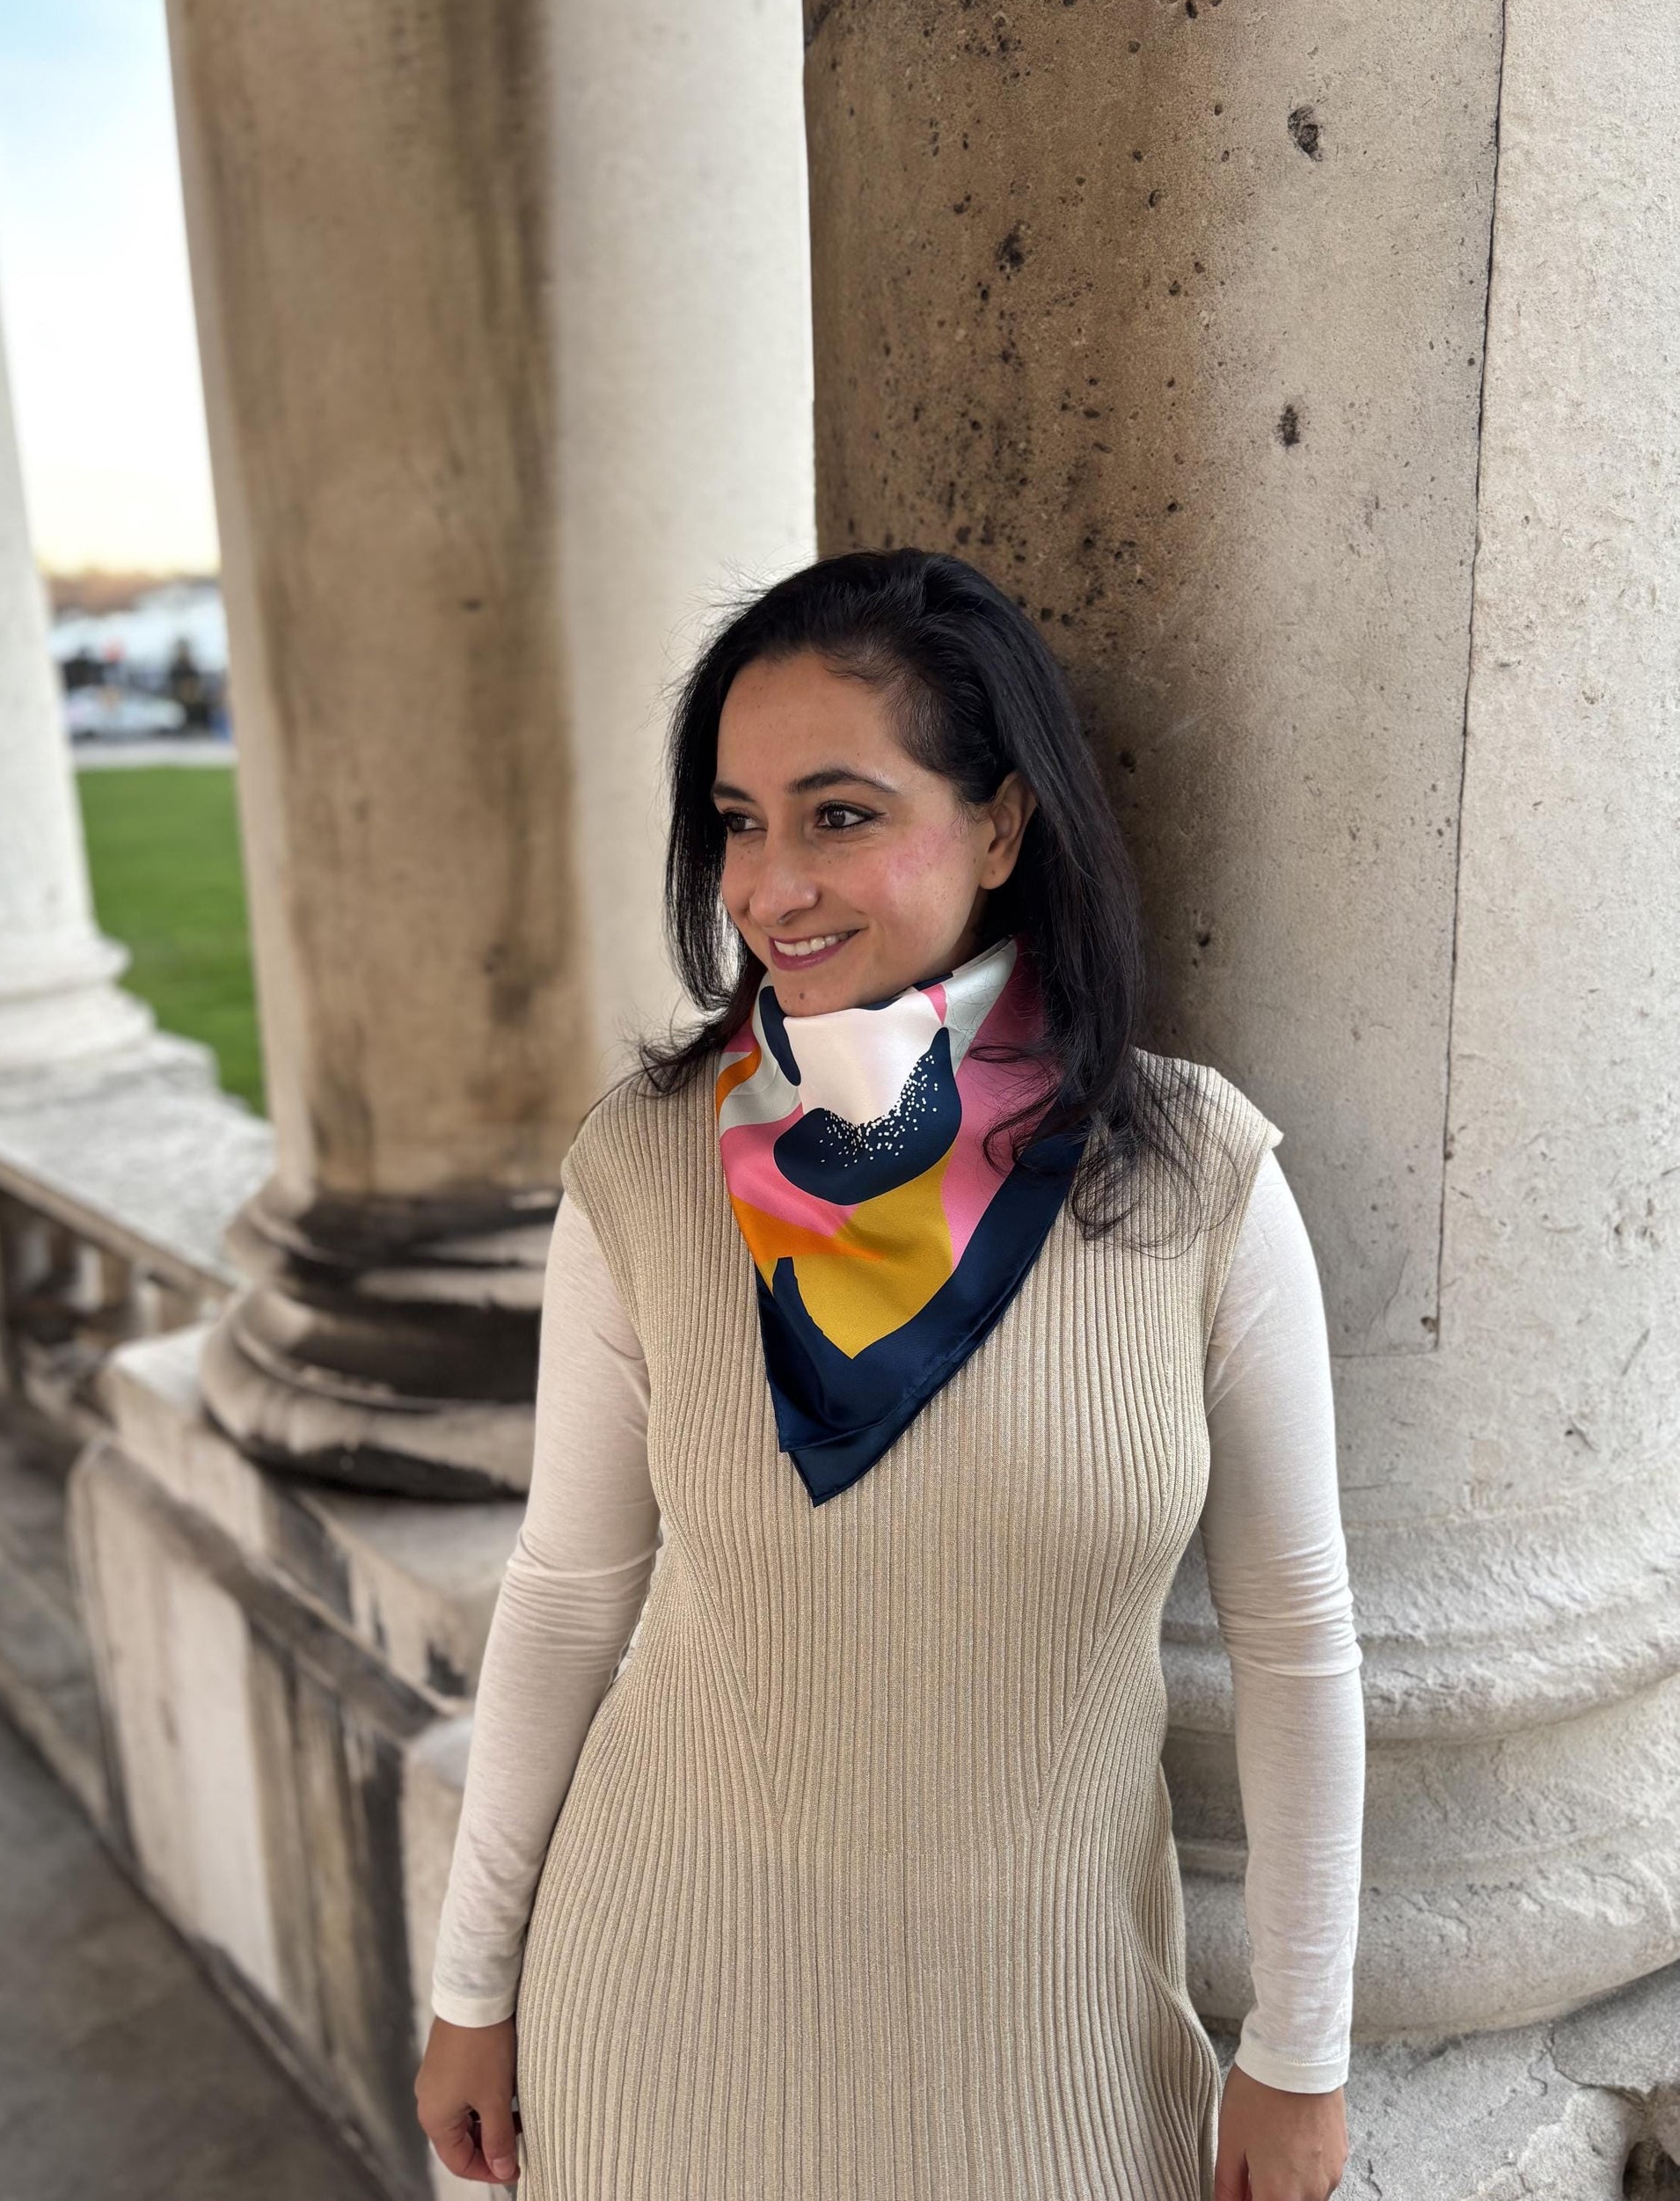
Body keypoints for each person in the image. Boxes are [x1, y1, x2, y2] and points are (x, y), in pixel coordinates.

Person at [414, 548, 1364, 2200]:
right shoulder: (642, 1167)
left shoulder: (1195, 1172)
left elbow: (1292, 1639)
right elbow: (568, 1592)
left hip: (1051, 2050)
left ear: (1000, 826)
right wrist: (471, 1986)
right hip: (662, 2022)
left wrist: (1299, 2049)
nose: (769, 886)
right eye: (737, 821)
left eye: (839, 815)